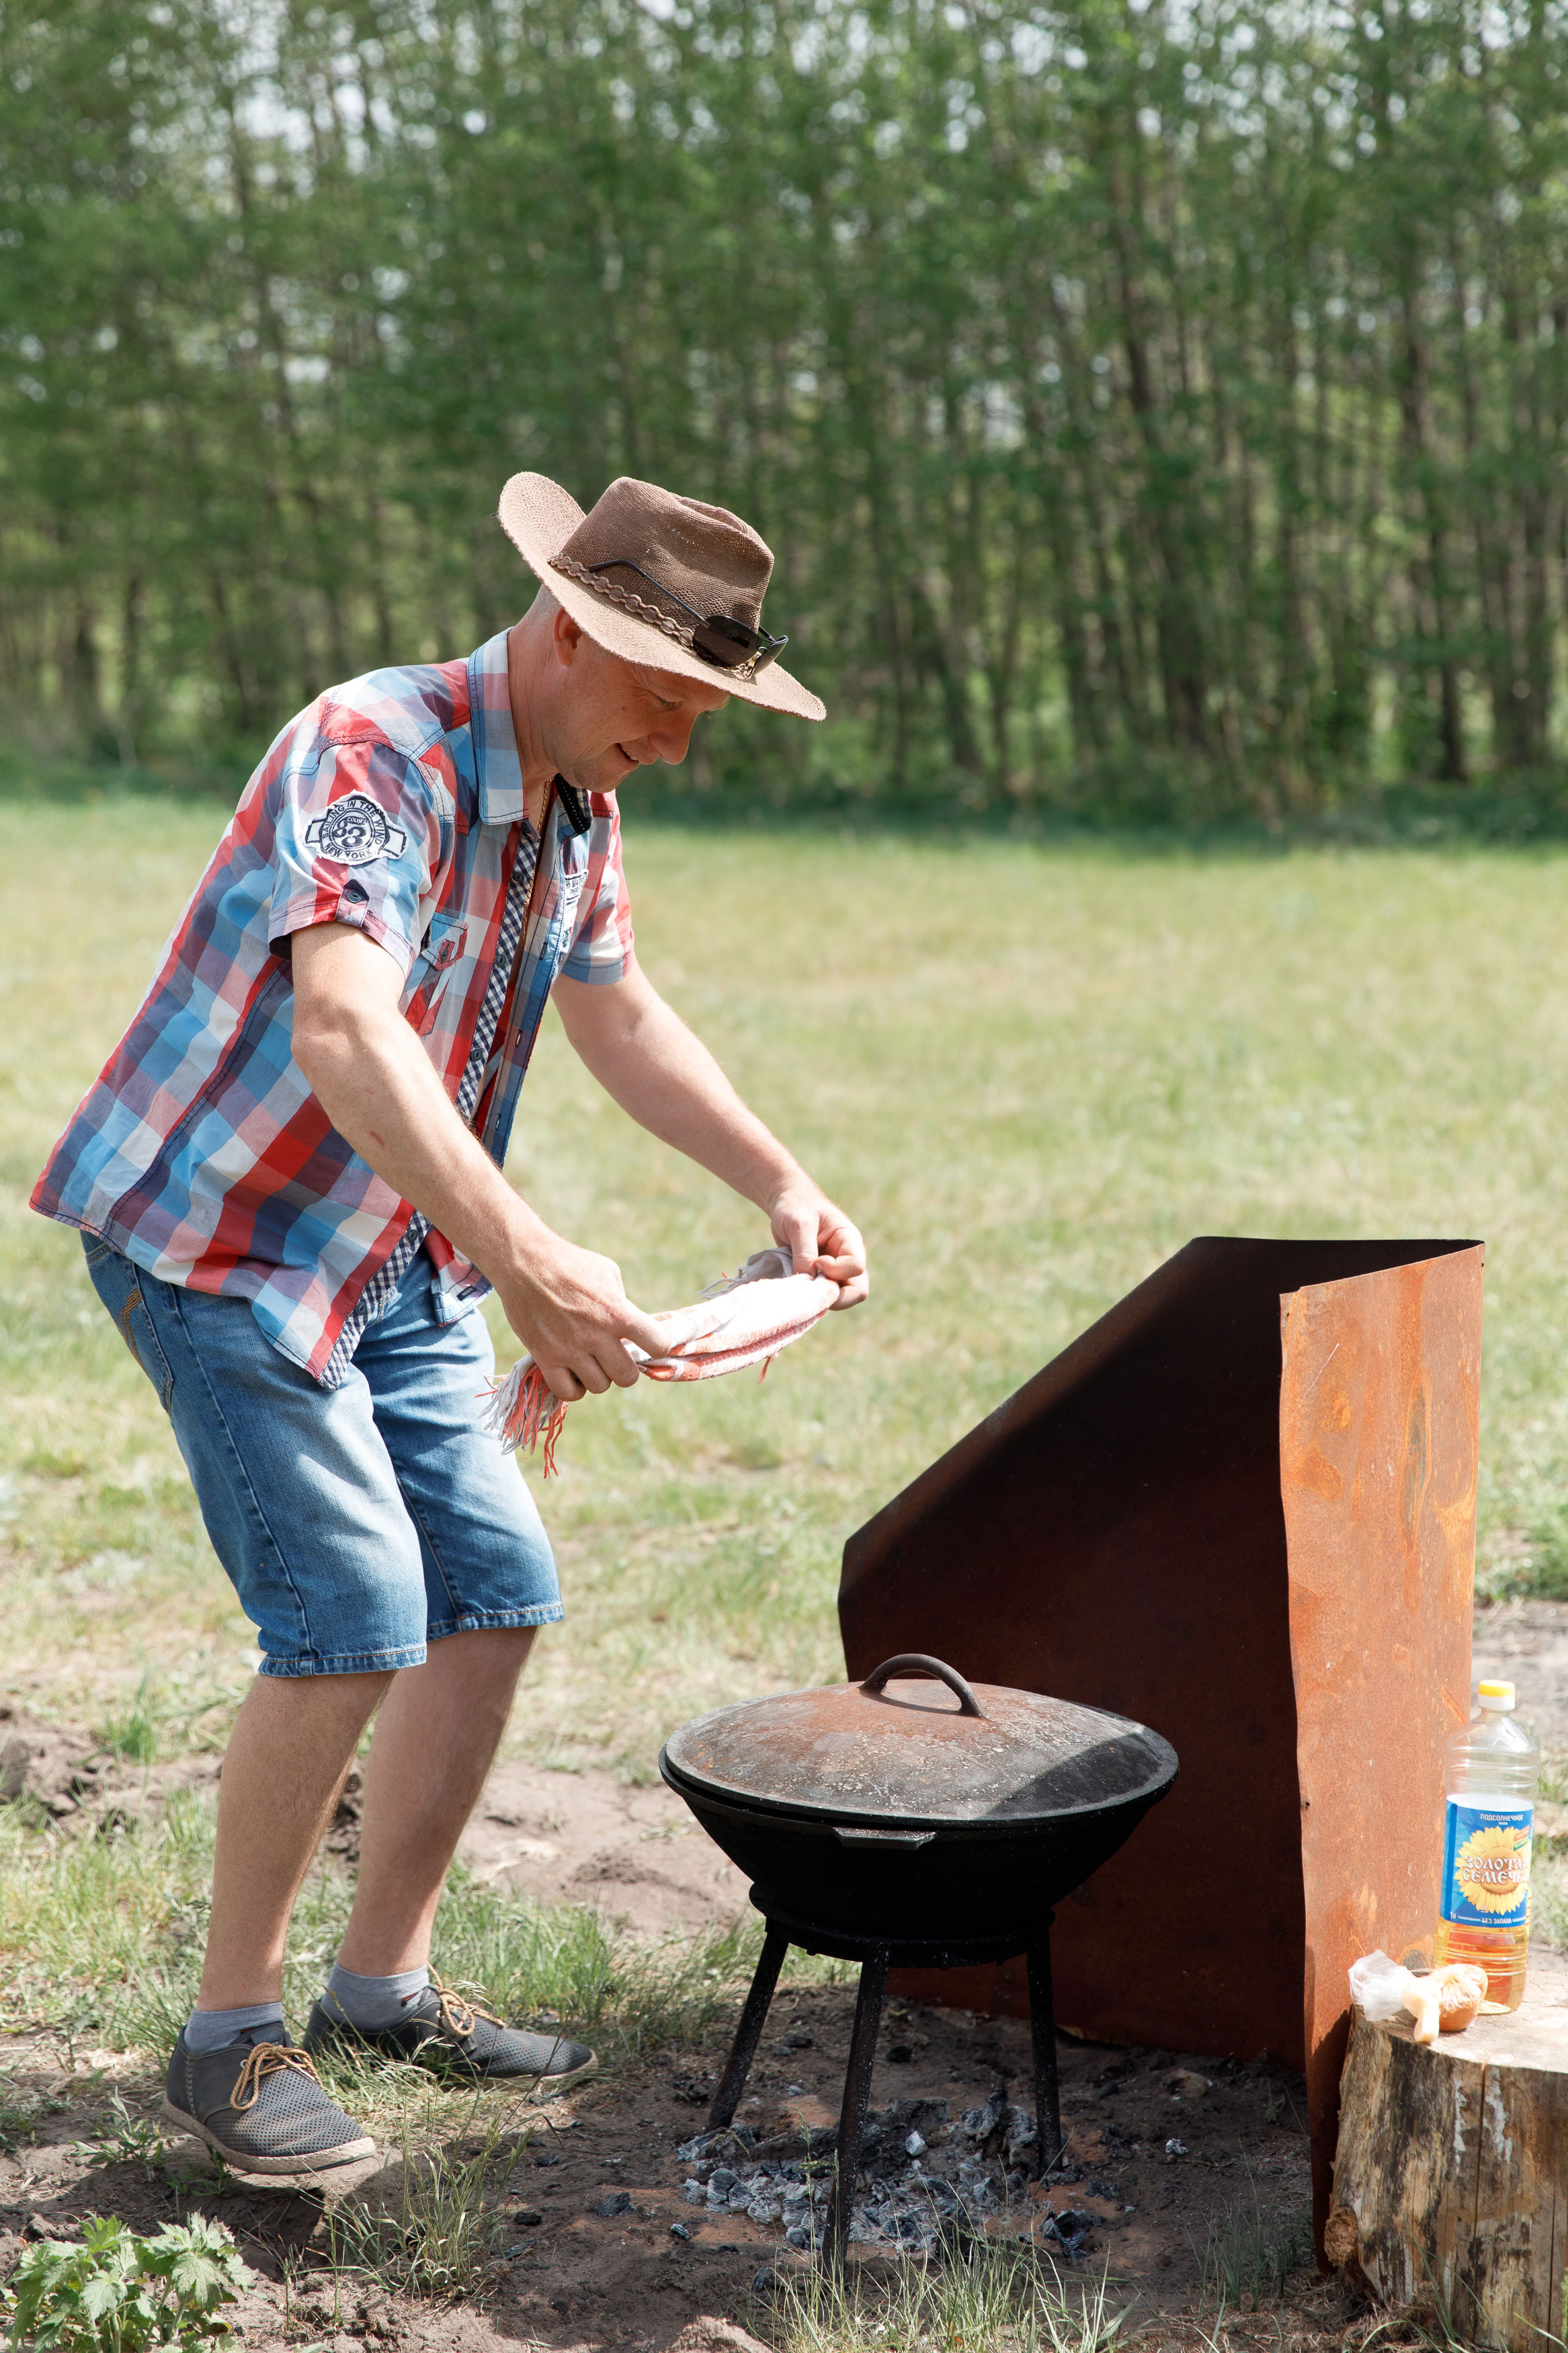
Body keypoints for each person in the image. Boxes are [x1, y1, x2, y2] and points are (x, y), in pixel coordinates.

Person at [32, 472, 868, 2175]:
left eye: (709, 710)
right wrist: (540, 1260)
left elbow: (619, 1010)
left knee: (493, 1591)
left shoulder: (578, 798)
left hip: (401, 1255)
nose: (684, 744)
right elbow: (345, 1031)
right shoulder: (375, 751)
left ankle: (378, 1989)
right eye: (667, 701)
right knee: (350, 1613)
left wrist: (779, 1183)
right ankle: (227, 2042)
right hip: (228, 1242)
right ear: (571, 629)